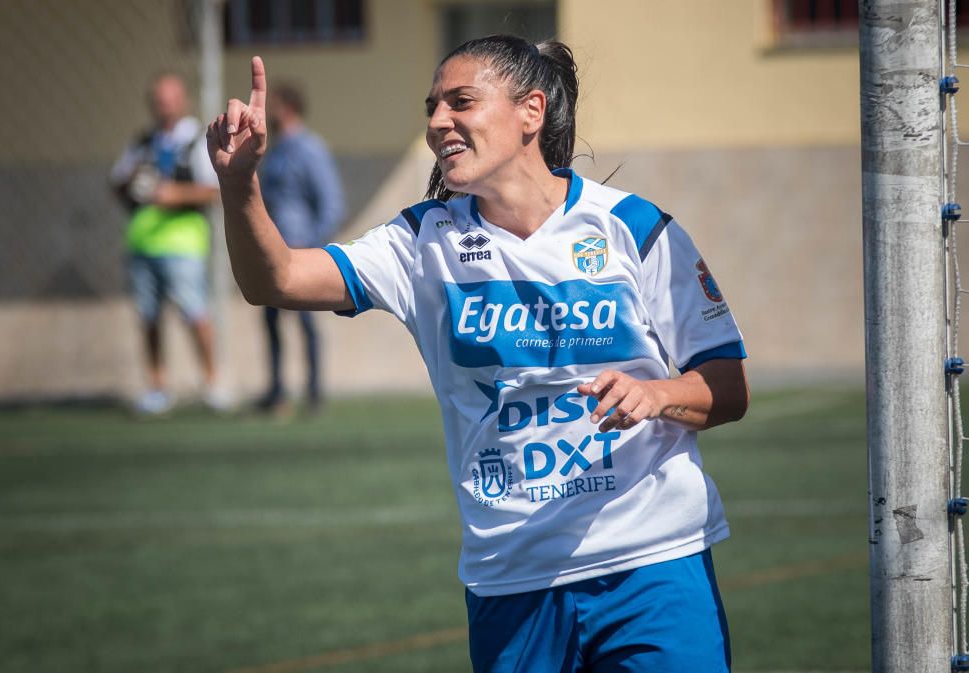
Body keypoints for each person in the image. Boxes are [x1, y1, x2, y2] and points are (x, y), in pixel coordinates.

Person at [207, 36, 749, 673]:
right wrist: (240, 182)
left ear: (531, 112)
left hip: (654, 564)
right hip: (511, 579)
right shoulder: (421, 241)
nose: (438, 122)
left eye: (461, 102)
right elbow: (276, 281)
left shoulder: (635, 228)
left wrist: (657, 394)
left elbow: (727, 388)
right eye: (432, 106)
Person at [110, 72, 224, 414]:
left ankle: (212, 382)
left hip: (183, 242)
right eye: (159, 99)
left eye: (171, 97)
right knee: (149, 318)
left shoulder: (196, 141)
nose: (165, 105)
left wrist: (174, 194)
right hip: (142, 242)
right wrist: (133, 186)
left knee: (195, 314)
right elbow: (118, 181)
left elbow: (215, 189)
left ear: (183, 100)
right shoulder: (143, 142)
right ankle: (158, 387)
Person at [256, 83, 345, 412]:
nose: (269, 112)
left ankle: (314, 392)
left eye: (275, 105)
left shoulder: (310, 149)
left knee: (307, 323)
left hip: (301, 253)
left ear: (290, 107)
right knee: (270, 322)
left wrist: (313, 249)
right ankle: (276, 389)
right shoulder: (275, 151)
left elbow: (332, 204)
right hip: (273, 254)